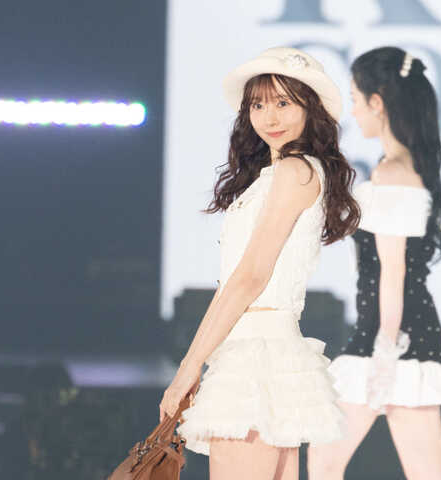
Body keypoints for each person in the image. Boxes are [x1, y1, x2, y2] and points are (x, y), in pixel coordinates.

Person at [159, 47, 361, 480]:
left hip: (257, 357)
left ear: (310, 108)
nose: (270, 117)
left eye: (283, 103)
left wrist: (188, 368)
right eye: (258, 105)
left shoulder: (294, 172)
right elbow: (236, 282)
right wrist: (200, 361)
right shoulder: (281, 174)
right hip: (259, 352)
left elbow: (250, 277)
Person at [308, 47, 441, 480]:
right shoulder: (396, 167)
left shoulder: (394, 173)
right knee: (334, 459)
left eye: (355, 99)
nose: (352, 110)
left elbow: (394, 272)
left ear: (377, 102)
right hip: (390, 331)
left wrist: (386, 350)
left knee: (422, 470)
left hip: (394, 335)